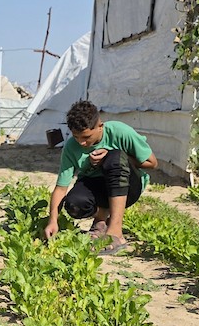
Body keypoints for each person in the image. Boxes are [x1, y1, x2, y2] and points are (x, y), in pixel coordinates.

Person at [42, 99, 157, 254]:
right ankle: (100, 222)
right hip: (99, 187)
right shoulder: (71, 147)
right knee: (75, 204)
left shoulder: (119, 131)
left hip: (129, 187)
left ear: (100, 126)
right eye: (76, 137)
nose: (81, 143)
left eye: (86, 137)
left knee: (115, 158)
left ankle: (116, 232)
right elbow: (61, 188)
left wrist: (111, 156)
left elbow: (152, 163)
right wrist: (52, 221)